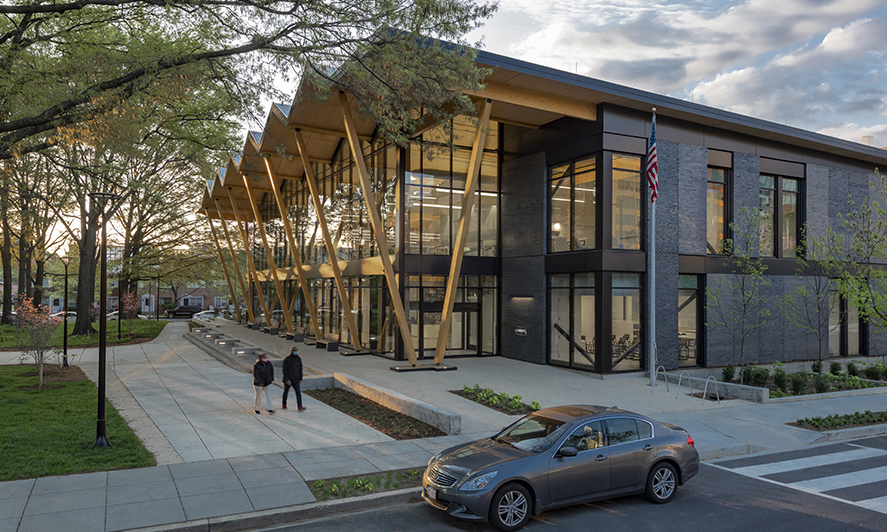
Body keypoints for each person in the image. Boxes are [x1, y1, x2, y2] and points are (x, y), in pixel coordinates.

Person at [282, 346, 305, 411]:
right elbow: (284, 370)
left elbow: (300, 369)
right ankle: (284, 404)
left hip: (296, 379)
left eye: (296, 350)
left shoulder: (298, 359)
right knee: (286, 392)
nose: (296, 352)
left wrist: (300, 378)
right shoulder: (287, 359)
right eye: (294, 350)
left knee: (298, 392)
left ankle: (299, 406)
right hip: (289, 379)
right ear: (291, 351)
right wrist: (287, 379)